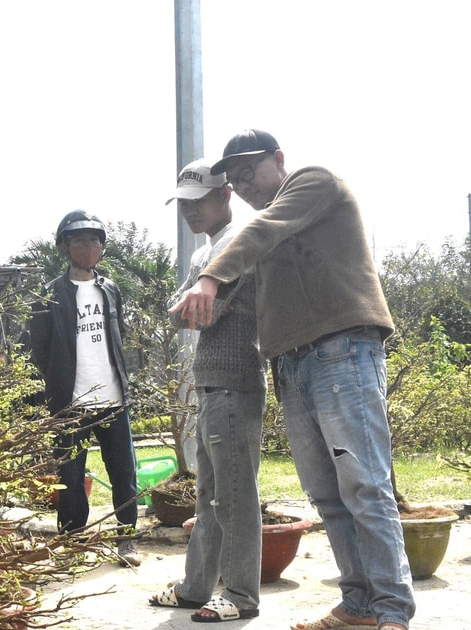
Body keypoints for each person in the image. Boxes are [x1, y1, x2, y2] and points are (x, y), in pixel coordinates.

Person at [169, 130, 412, 630]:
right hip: (290, 363)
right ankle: (359, 604)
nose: (243, 184)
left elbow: (262, 231)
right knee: (326, 494)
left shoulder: (312, 183)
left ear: (277, 160)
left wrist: (209, 279)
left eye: (248, 171)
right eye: (233, 177)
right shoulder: (259, 232)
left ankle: (392, 610)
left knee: (365, 485)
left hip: (342, 348)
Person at [149, 159, 265, 622]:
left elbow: (204, 314)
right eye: (183, 203)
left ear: (226, 195)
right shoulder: (206, 253)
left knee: (235, 495)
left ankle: (240, 595)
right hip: (212, 384)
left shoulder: (238, 242)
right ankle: (196, 587)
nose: (190, 211)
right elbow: (177, 311)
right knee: (211, 494)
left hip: (235, 381)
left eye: (199, 201)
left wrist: (193, 304)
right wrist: (191, 304)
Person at [27, 210, 141, 567]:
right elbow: (35, 350)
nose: (88, 247)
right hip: (70, 404)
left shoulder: (110, 290)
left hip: (113, 400)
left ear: (102, 247)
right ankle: (73, 542)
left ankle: (127, 539)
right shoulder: (50, 296)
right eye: (79, 240)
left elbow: (117, 339)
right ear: (64, 245)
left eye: (94, 240)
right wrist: (45, 396)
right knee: (70, 477)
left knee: (124, 471)